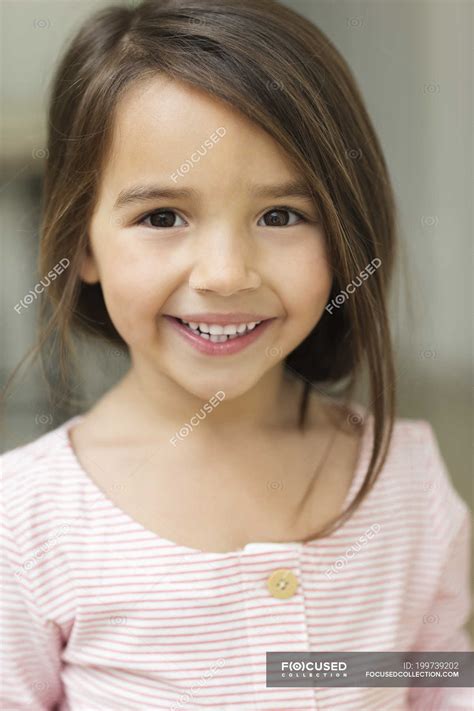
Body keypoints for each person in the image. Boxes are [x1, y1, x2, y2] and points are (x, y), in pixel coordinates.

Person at [1, 0, 471, 708]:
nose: (225, 273)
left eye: (280, 215)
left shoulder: (405, 481)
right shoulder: (27, 519)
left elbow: (438, 677)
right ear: (81, 244)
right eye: (162, 217)